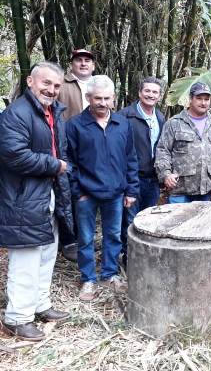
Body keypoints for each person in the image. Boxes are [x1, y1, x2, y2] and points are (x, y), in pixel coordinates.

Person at [0, 62, 73, 341]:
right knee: (26, 258)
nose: (51, 90)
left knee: (47, 253)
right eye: (46, 83)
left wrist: (58, 171)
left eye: (56, 86)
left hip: (47, 192)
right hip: (23, 196)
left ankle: (40, 304)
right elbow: (14, 155)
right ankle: (18, 317)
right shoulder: (17, 113)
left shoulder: (53, 112)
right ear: (30, 81)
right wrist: (55, 165)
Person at [66, 75, 139, 301]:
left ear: (113, 99)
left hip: (116, 193)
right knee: (86, 238)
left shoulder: (122, 123)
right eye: (97, 98)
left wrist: (131, 190)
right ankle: (88, 279)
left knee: (113, 235)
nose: (102, 102)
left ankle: (110, 273)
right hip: (87, 193)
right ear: (88, 98)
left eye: (107, 98)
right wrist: (78, 191)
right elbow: (69, 162)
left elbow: (131, 158)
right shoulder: (75, 125)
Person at [118, 77, 165, 266]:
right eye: (147, 91)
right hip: (132, 178)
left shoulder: (160, 118)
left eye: (155, 92)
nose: (151, 95)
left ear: (159, 96)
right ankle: (129, 259)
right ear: (139, 93)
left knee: (147, 221)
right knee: (130, 221)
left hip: (152, 179)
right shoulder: (124, 116)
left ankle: (143, 260)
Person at [155, 82, 211, 204]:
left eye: (206, 99)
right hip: (179, 189)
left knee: (202, 223)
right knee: (179, 223)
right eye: (199, 98)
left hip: (206, 190)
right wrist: (166, 174)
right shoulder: (174, 123)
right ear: (190, 99)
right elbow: (163, 151)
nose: (203, 103)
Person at [56, 48, 96, 261]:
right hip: (67, 145)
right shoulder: (61, 84)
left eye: (87, 61)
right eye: (79, 60)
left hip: (90, 148)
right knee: (68, 192)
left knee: (86, 191)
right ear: (72, 64)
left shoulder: (98, 85)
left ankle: (84, 237)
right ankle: (69, 240)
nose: (83, 64)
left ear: (93, 65)